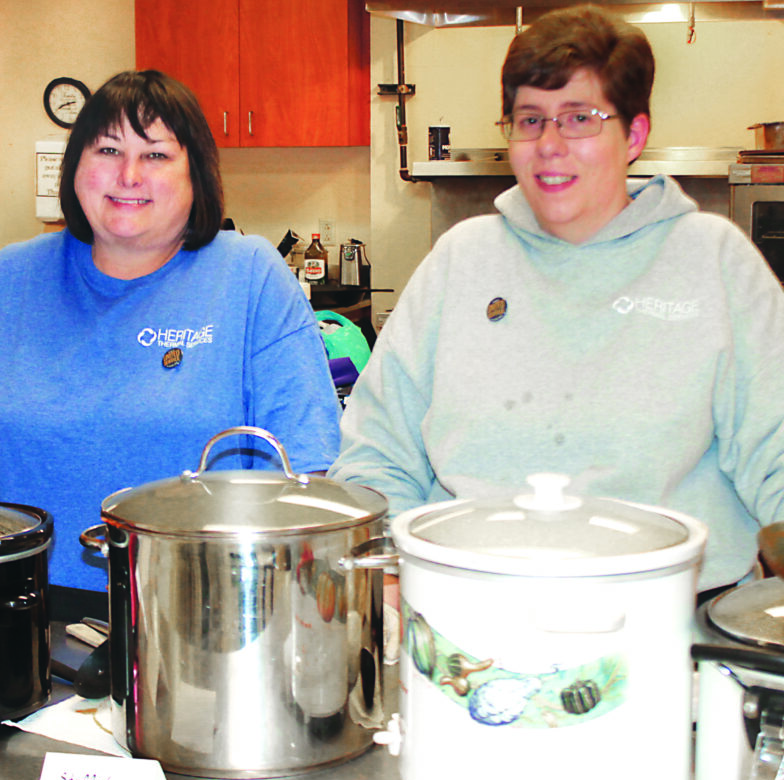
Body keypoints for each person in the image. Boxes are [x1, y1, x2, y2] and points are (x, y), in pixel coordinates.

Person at [0, 70, 341, 619]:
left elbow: (307, 485)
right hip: (0, 625)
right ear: (76, 166)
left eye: (156, 155)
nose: (128, 175)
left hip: (197, 628)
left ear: (197, 172)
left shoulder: (250, 279)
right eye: (108, 148)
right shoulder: (5, 282)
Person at [328, 5, 784, 594]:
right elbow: (377, 451)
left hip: (672, 622)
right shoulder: (459, 260)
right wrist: (389, 571)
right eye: (529, 119)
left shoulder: (714, 261)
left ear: (636, 134)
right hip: (465, 619)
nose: (549, 145)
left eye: (579, 119)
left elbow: (779, 451)